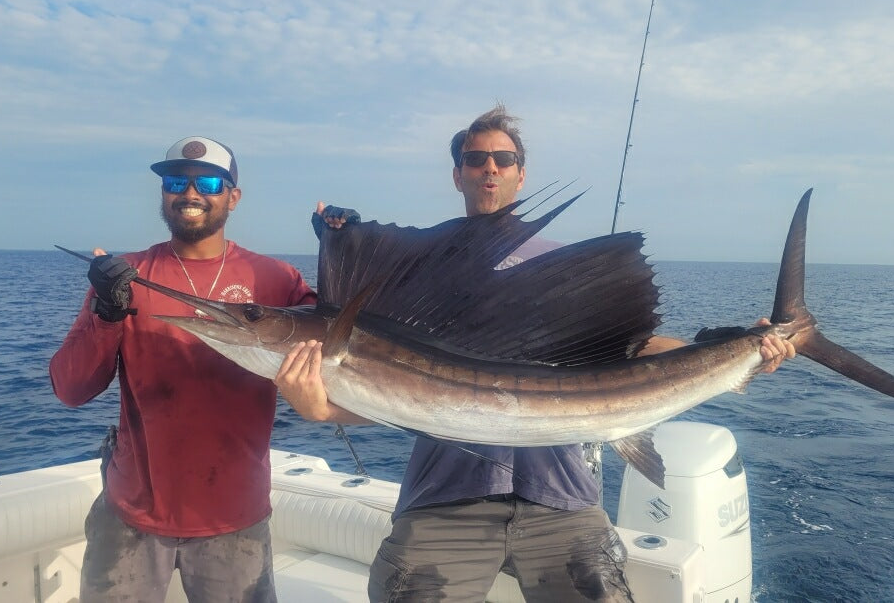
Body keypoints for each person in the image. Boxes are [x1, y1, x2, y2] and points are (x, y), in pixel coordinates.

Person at [279, 106, 795, 602]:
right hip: (446, 499)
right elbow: (397, 391)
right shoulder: (418, 274)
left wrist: (743, 349)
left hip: (560, 496)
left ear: (520, 175)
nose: (489, 168)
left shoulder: (558, 265)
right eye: (476, 158)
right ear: (457, 174)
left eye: (503, 160)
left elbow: (636, 349)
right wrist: (320, 405)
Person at [50, 136, 319, 603]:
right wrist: (106, 314)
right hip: (131, 511)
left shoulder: (277, 279)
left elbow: (337, 342)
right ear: (163, 193)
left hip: (234, 516)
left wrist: (342, 245)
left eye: (209, 182)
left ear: (233, 196)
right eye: (176, 181)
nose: (190, 193)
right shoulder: (125, 275)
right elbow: (71, 389)